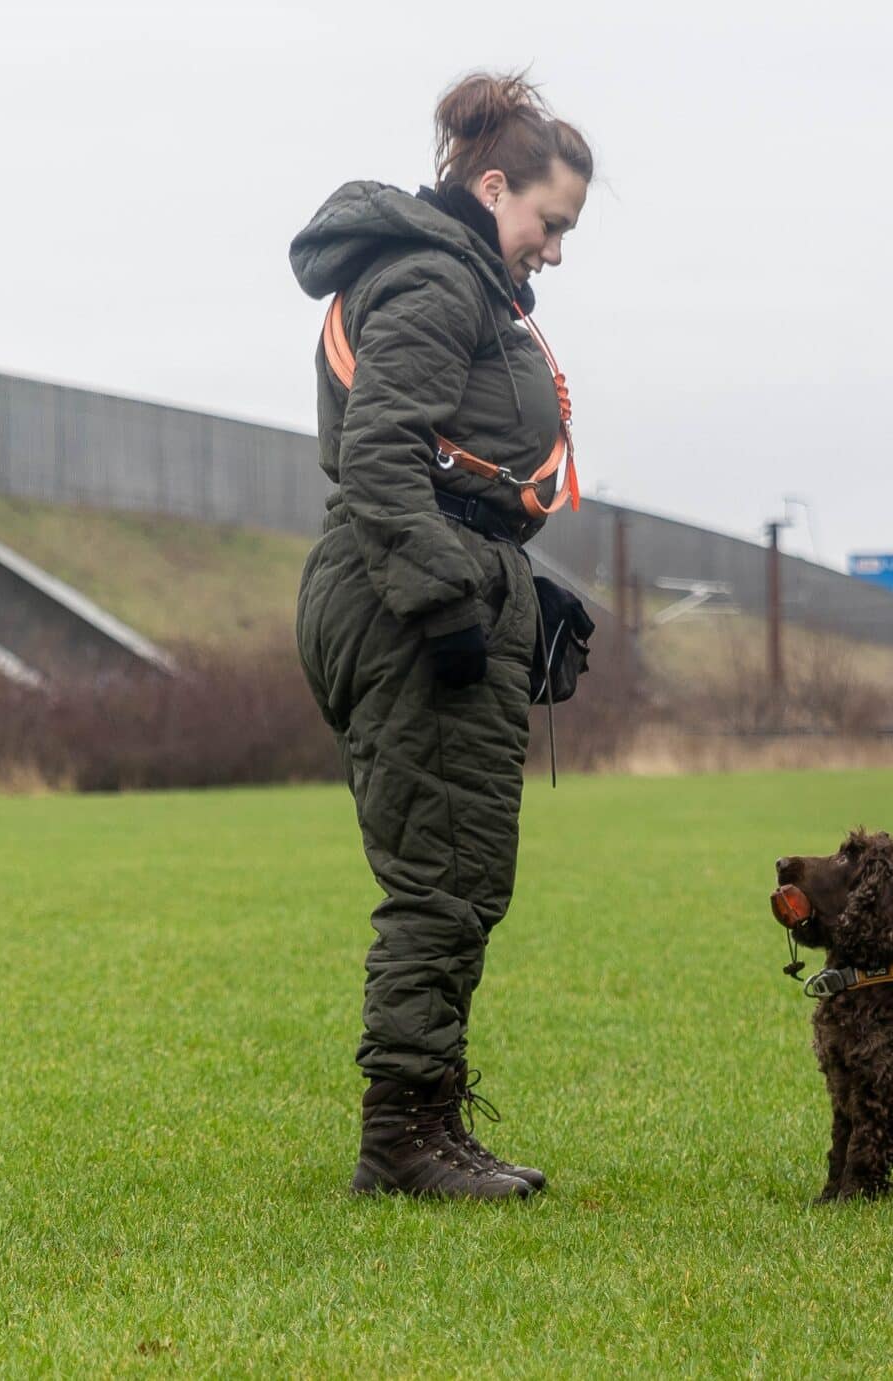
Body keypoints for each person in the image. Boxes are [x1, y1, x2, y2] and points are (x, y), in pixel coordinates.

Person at [287, 72, 593, 1199]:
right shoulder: (432, 279)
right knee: (439, 879)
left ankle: (431, 1122)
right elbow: (380, 459)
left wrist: (517, 583)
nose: (555, 249)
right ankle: (403, 1141)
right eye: (550, 223)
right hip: (398, 608)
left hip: (415, 587)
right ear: (494, 186)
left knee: (459, 871)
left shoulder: (457, 279)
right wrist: (447, 604)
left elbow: (445, 470)